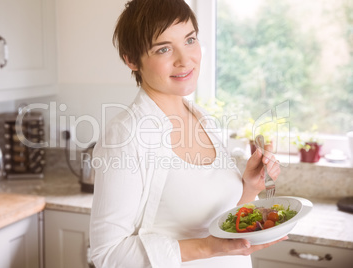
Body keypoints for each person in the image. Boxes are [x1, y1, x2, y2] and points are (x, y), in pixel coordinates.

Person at [90, 0, 284, 267]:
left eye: (190, 40)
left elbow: (219, 223)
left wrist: (249, 188)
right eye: (164, 49)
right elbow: (107, 254)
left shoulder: (204, 120)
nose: (185, 59)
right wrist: (206, 247)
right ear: (131, 60)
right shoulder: (125, 135)